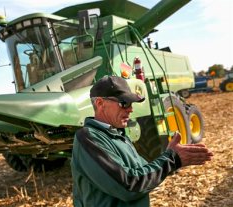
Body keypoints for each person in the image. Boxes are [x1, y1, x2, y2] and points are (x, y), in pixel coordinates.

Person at [71, 75, 213, 207]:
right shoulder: (88, 138)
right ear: (100, 103)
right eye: (124, 103)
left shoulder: (118, 135)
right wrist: (172, 159)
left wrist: (170, 156)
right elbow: (130, 185)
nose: (131, 109)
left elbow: (143, 172)